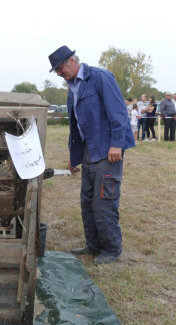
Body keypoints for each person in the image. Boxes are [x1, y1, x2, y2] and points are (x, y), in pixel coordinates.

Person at [48, 45, 135, 265]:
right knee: (87, 201)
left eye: (59, 68)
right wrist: (74, 156)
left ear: (71, 61)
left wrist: (116, 144)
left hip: (108, 150)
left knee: (104, 201)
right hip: (89, 151)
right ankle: (93, 245)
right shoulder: (71, 88)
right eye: (56, 71)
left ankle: (111, 248)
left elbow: (118, 112)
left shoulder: (101, 77)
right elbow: (76, 126)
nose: (59, 74)